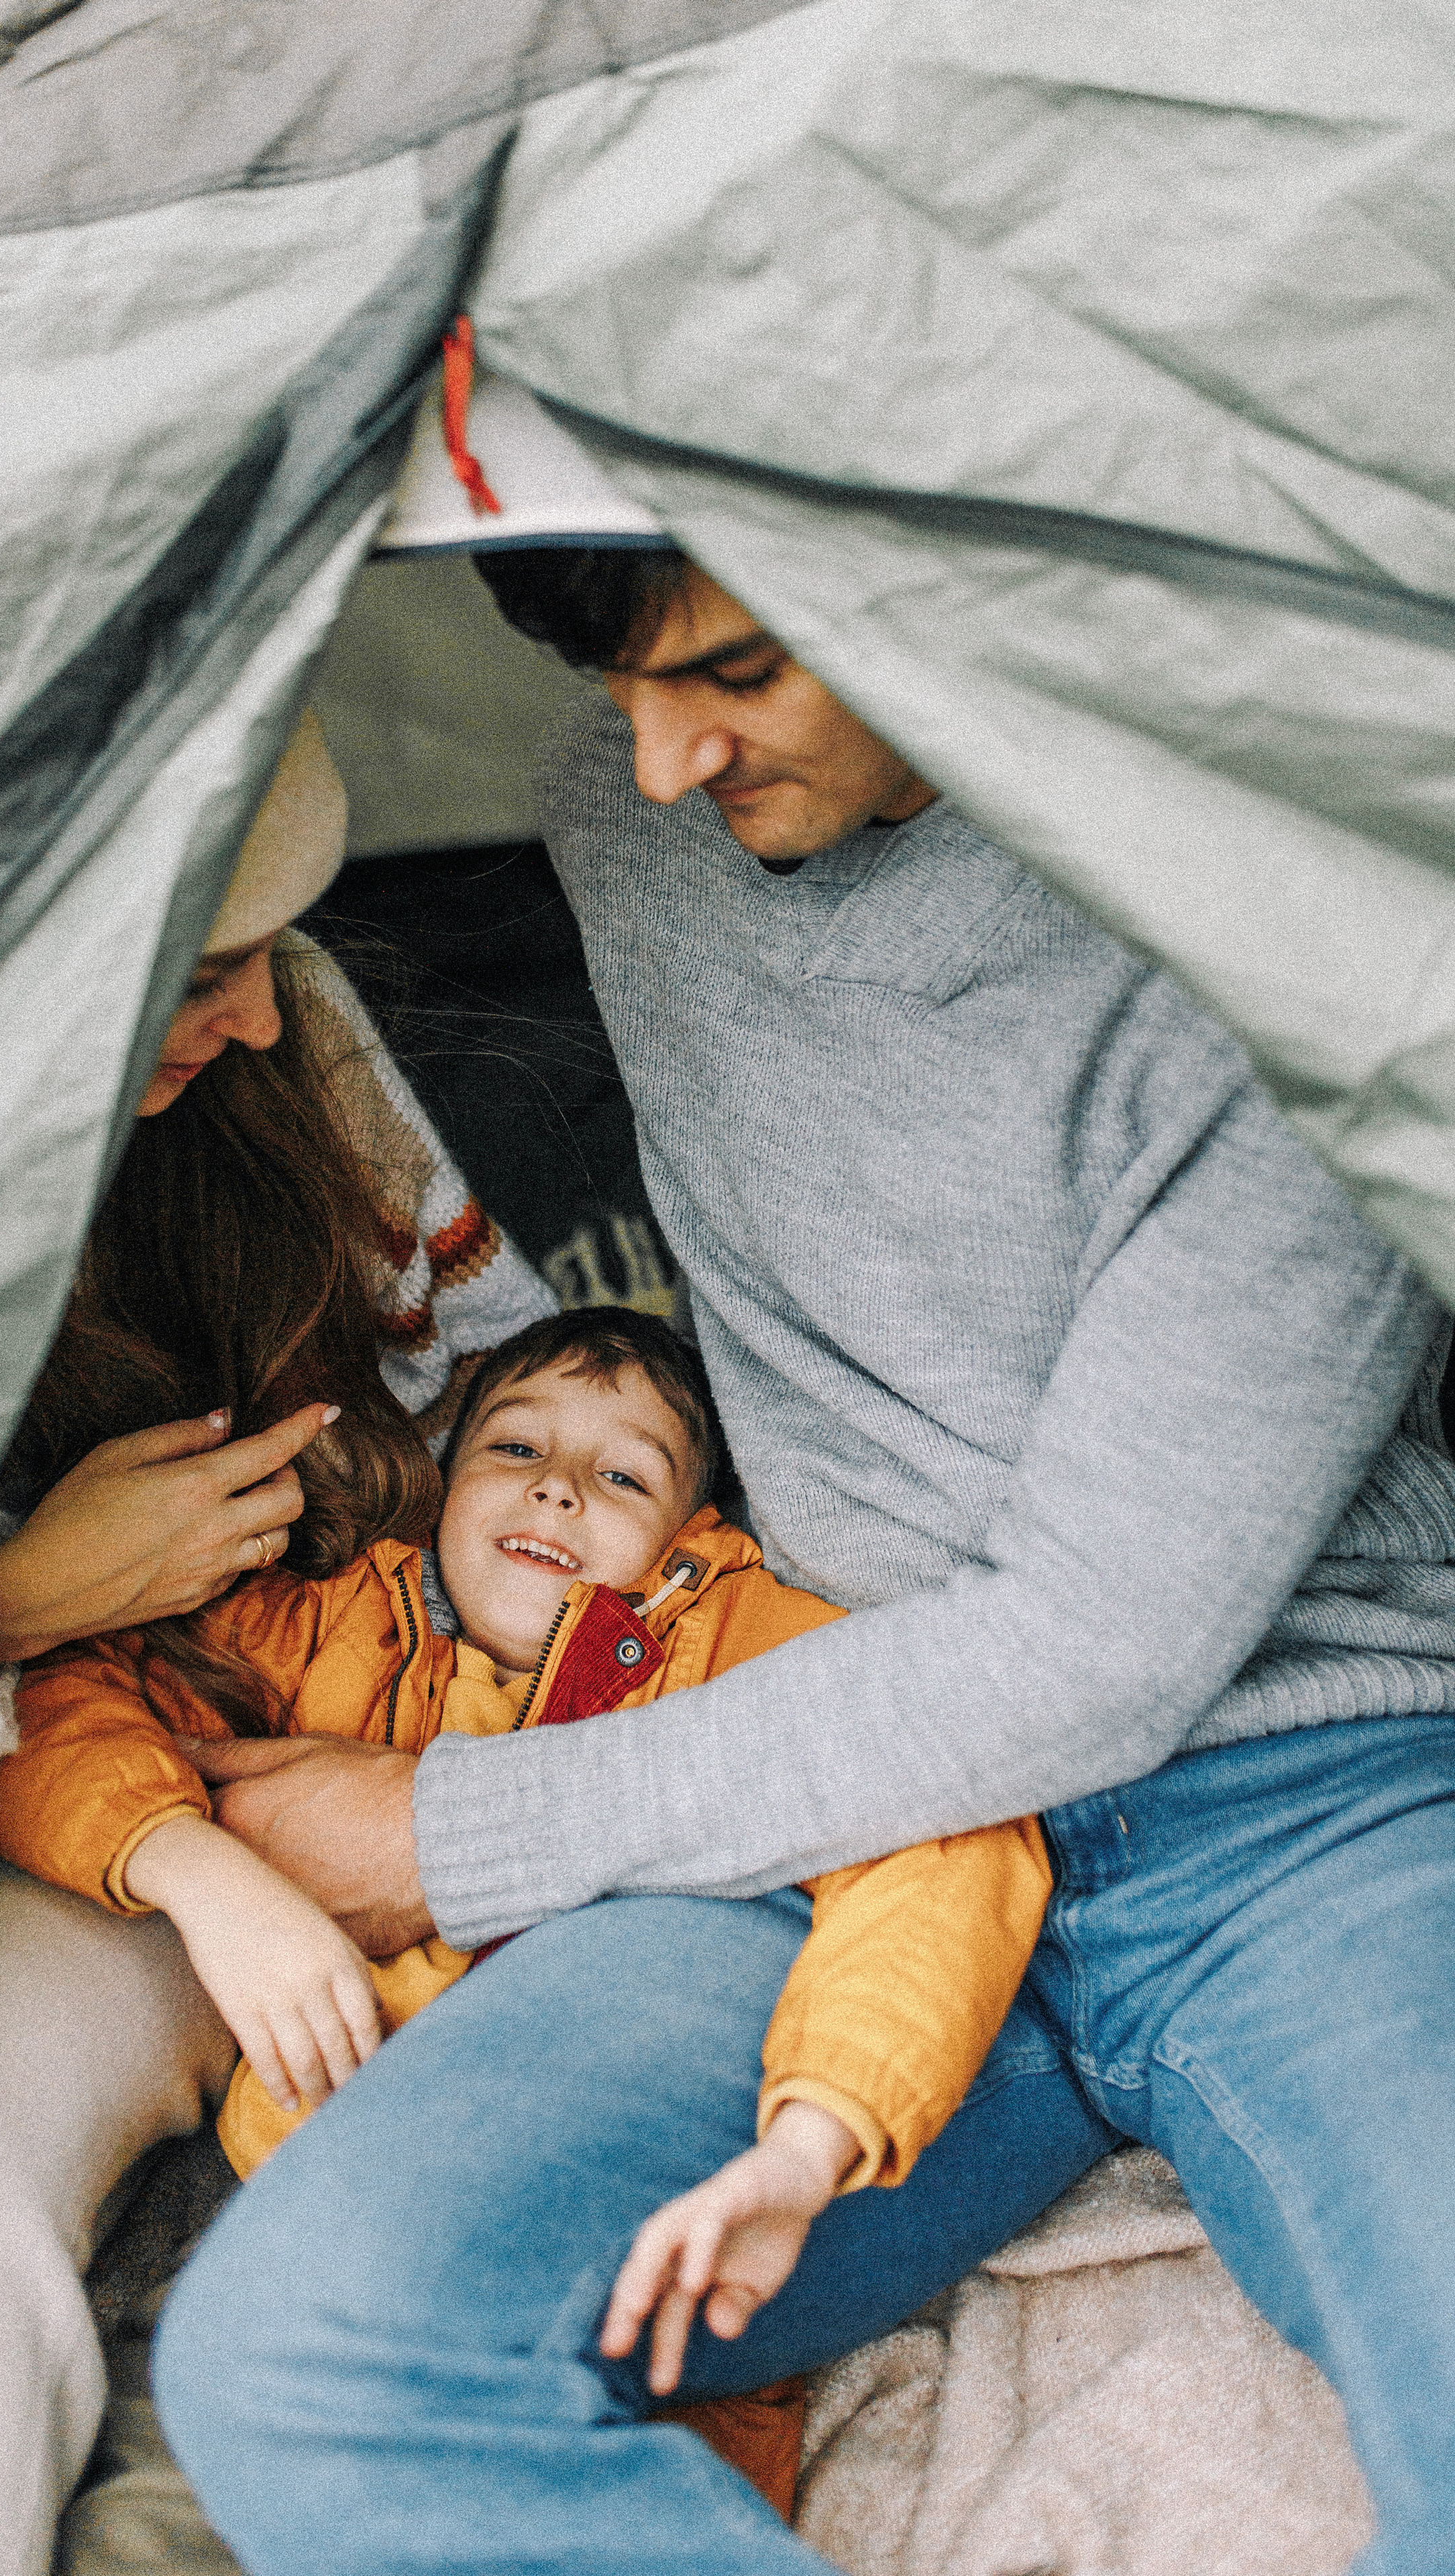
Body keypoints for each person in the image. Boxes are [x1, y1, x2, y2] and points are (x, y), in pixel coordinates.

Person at [152, 551, 1455, 2576]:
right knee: (302, 2350)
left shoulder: (1292, 912)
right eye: (613, 684)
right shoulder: (624, 824)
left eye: (736, 675)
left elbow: (1098, 1652)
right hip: (820, 1802)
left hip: (1299, 1808)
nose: (658, 760)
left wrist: (457, 1824)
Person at [0, 708, 555, 2576]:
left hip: (193, 1788)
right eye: (197, 972)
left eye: (277, 949)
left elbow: (512, 1397)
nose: (266, 1014)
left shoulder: (295, 1055)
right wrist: (29, 1598)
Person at [0, 1305, 1049, 2510]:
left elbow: (940, 1833)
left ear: (694, 1529)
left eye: (622, 1473)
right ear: (441, 1482)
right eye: (516, 1451)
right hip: (293, 2208)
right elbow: (53, 1698)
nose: (559, 1492)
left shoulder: (736, 1640)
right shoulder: (329, 1623)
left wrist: (811, 2138)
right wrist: (183, 1864)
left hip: (604, 2247)